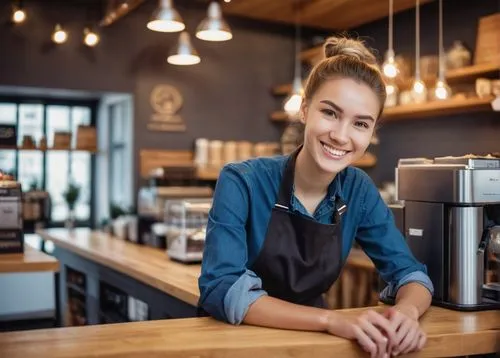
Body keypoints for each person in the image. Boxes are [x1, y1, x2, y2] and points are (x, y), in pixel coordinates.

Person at [198, 35, 434, 358]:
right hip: (233, 346)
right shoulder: (242, 181)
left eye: (360, 124)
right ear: (305, 110)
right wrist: (328, 319)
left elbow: (411, 275)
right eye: (330, 113)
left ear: (372, 133)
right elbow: (222, 288)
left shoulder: (359, 191)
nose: (340, 135)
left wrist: (407, 313)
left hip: (311, 348)